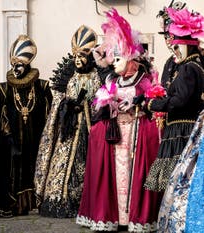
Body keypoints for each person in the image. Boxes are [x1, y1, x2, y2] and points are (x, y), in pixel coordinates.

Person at [76, 9, 162, 232]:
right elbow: (101, 101)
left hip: (136, 135)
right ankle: (116, 216)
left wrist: (139, 103)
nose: (113, 63)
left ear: (131, 59)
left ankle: (133, 216)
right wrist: (107, 103)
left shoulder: (143, 80)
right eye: (112, 58)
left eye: (118, 58)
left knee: (132, 176)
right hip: (116, 138)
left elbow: (154, 103)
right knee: (115, 176)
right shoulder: (112, 80)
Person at [34, 25, 101, 218]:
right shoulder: (70, 78)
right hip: (69, 129)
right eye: (76, 57)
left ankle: (87, 201)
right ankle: (62, 199)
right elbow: (60, 103)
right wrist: (68, 106)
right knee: (63, 166)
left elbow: (99, 102)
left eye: (82, 56)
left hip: (89, 130)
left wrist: (86, 106)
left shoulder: (96, 77)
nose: (78, 60)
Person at [150, 6, 204, 232]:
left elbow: (180, 99)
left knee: (178, 180)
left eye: (177, 45)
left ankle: (176, 221)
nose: (174, 49)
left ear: (187, 45)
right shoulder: (196, 66)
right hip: (185, 127)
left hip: (182, 129)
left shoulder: (189, 68)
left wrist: (157, 104)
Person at [0, 35, 52, 216]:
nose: (15, 68)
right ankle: (17, 205)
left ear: (27, 65)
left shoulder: (42, 87)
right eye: (13, 65)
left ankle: (37, 202)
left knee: (35, 167)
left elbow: (50, 115)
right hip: (13, 142)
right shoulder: (5, 89)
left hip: (36, 139)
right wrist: (9, 139)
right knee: (16, 172)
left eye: (19, 65)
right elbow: (1, 116)